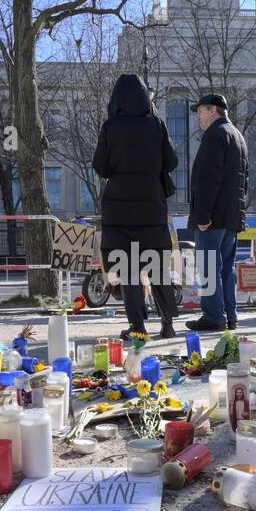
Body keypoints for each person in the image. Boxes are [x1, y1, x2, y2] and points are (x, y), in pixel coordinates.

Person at [93, 73, 180, 339]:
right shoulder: (156, 124)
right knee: (157, 267)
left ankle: (137, 326)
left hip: (119, 210)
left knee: (128, 268)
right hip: (152, 206)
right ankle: (168, 324)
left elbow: (100, 166)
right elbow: (172, 162)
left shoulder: (111, 127)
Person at [186, 93, 249, 333]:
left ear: (213, 110)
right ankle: (229, 315)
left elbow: (207, 179)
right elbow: (245, 180)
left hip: (213, 216)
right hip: (232, 216)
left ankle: (213, 315)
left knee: (209, 266)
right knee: (226, 268)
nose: (198, 117)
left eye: (200, 111)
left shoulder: (215, 135)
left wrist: (202, 216)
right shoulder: (237, 136)